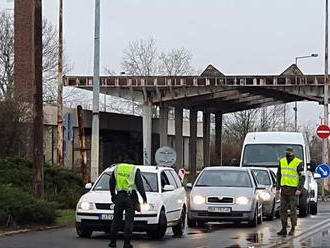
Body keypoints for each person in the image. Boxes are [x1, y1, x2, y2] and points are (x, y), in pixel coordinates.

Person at [108, 163, 147, 248]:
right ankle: (127, 243)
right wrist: (144, 198)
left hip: (119, 197)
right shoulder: (134, 169)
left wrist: (113, 195)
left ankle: (113, 242)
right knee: (129, 221)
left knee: (116, 220)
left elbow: (111, 183)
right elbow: (140, 185)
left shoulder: (117, 168)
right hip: (130, 198)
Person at [276, 147, 305, 236]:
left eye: (289, 152)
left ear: (293, 153)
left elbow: (302, 177)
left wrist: (299, 189)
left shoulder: (298, 162)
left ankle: (292, 228)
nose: (288, 153)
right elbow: (279, 175)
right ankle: (284, 228)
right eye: (287, 151)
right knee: (282, 209)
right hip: (284, 189)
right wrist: (278, 187)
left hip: (293, 190)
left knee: (293, 210)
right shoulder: (282, 161)